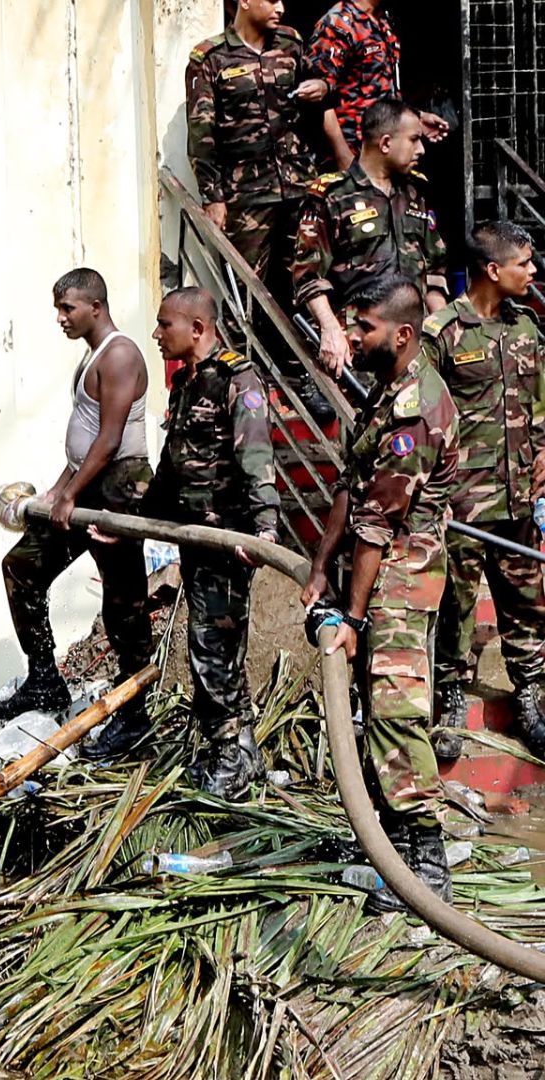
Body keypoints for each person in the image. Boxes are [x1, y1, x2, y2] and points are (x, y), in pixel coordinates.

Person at [303, 276, 459, 912]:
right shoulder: (385, 391)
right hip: (376, 572)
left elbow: (376, 523)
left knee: (396, 713)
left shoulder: (416, 408)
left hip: (402, 580)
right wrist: (320, 566)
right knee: (376, 711)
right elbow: (351, 482)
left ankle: (426, 865)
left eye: (363, 326)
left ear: (401, 334)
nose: (353, 336)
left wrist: (353, 616)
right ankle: (388, 843)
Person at [0, 269, 155, 731]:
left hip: (120, 486)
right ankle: (44, 679)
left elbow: (109, 440)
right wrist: (56, 491)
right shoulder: (91, 357)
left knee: (123, 603)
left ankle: (133, 710)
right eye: (58, 309)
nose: (60, 318)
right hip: (89, 482)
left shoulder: (120, 354)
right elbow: (84, 444)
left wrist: (69, 495)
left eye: (68, 308)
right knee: (22, 567)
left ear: (96, 307)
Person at [140, 288, 280, 798]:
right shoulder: (186, 383)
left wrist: (264, 528)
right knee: (211, 643)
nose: (157, 334)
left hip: (226, 540)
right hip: (194, 538)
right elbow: (172, 465)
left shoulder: (237, 380)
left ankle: (231, 755)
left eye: (165, 325)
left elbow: (256, 458)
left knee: (213, 645)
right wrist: (134, 520)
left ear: (197, 329)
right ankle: (238, 750)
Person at [423, 221, 545, 758]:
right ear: (493, 270)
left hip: (519, 499)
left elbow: (541, 401)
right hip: (463, 504)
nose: (533, 270)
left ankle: (531, 695)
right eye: (524, 262)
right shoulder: (442, 333)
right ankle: (450, 695)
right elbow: (422, 418)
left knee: (527, 600)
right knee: (455, 603)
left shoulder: (527, 327)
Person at [291, 97, 449, 378]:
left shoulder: (415, 192)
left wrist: (442, 329)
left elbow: (435, 270)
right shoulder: (333, 197)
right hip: (356, 347)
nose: (421, 149)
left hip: (414, 347)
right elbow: (307, 277)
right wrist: (329, 329)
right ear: (385, 143)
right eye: (414, 140)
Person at [186, 0, 326, 280]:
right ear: (245, 2)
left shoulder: (290, 44)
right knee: (246, 286)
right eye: (272, 1)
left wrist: (322, 87)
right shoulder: (211, 58)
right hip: (246, 195)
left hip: (298, 186)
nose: (281, 8)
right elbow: (201, 134)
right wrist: (213, 197)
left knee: (309, 280)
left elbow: (319, 88)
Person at [308, 0, 450, 172]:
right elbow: (319, 99)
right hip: (353, 153)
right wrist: (343, 155)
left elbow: (381, 89)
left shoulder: (384, 22)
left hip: (382, 154)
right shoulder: (339, 23)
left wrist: (415, 117)